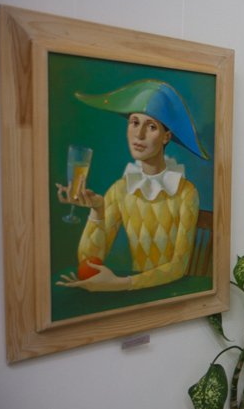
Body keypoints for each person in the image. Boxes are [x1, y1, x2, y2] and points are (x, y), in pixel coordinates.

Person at [55, 80, 209, 292]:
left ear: (166, 137)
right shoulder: (120, 189)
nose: (139, 134)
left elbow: (177, 268)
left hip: (172, 293)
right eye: (134, 123)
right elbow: (89, 261)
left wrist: (121, 284)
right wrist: (97, 210)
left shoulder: (186, 193)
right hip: (136, 295)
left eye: (151, 126)